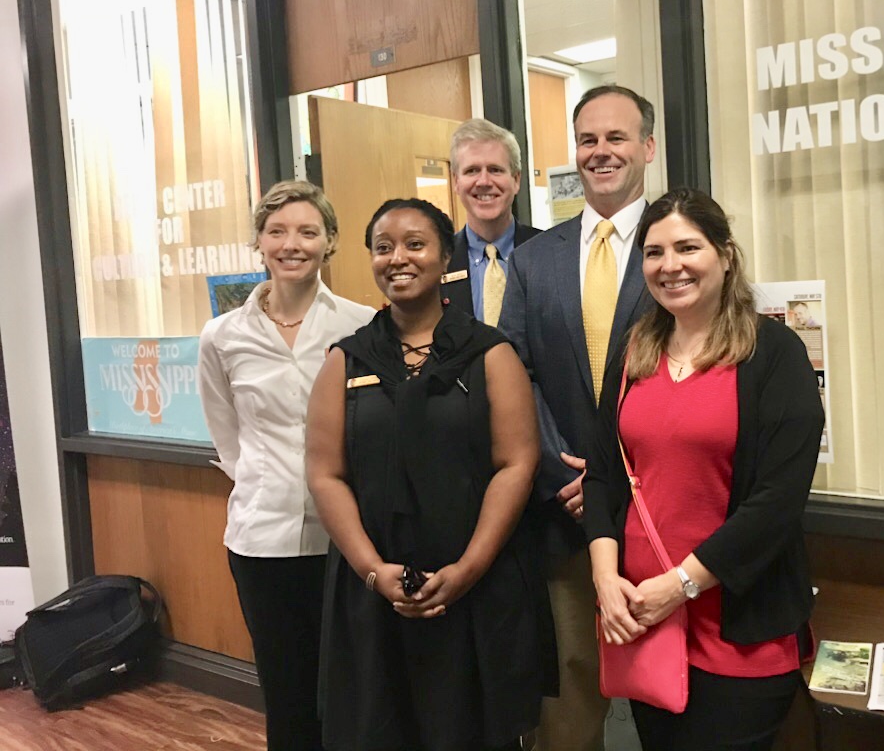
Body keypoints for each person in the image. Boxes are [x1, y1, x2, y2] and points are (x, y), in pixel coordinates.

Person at [306, 198, 556, 751]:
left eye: (415, 244)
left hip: (478, 586)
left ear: (446, 257)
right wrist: (372, 570)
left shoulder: (490, 354)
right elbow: (325, 474)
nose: (398, 258)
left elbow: (516, 464)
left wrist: (467, 569)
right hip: (374, 592)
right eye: (383, 246)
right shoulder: (345, 361)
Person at [583, 188, 824, 751]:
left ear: (725, 254)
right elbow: (602, 474)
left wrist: (681, 584)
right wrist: (604, 580)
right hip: (644, 622)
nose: (670, 267)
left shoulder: (774, 353)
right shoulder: (635, 349)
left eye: (688, 248)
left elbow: (777, 504)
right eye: (654, 252)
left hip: (737, 632)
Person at [501, 84, 657, 751]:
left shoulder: (680, 244)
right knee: (570, 698)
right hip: (562, 512)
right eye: (589, 139)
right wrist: (560, 469)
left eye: (616, 137)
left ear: (647, 148)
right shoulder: (535, 259)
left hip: (662, 511)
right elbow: (514, 371)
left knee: (671, 692)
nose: (601, 152)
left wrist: (620, 476)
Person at [197, 180, 376, 751]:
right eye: (277, 231)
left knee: (353, 690)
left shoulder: (363, 324)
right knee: (287, 692)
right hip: (261, 542)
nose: (291, 243)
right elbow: (229, 440)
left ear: (330, 242)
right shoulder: (223, 336)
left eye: (307, 231)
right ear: (259, 242)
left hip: (345, 542)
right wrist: (266, 481)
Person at [441, 118, 540, 324]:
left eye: (495, 169)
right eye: (472, 171)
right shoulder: (437, 261)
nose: (484, 181)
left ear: (516, 180)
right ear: (456, 182)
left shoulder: (549, 252)